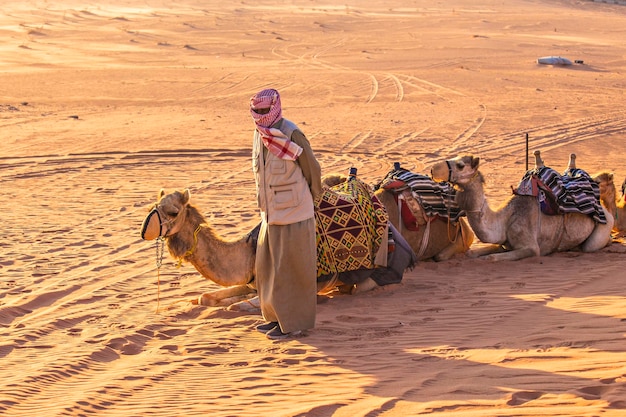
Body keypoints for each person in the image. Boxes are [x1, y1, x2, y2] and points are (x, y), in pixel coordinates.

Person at [249, 88, 323, 340]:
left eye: (264, 110)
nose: (260, 115)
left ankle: (294, 324)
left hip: (294, 212)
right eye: (256, 111)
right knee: (269, 269)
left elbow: (311, 167)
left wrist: (313, 200)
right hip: (270, 215)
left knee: (291, 270)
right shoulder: (259, 135)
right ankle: (275, 318)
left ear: (275, 107)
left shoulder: (291, 133)